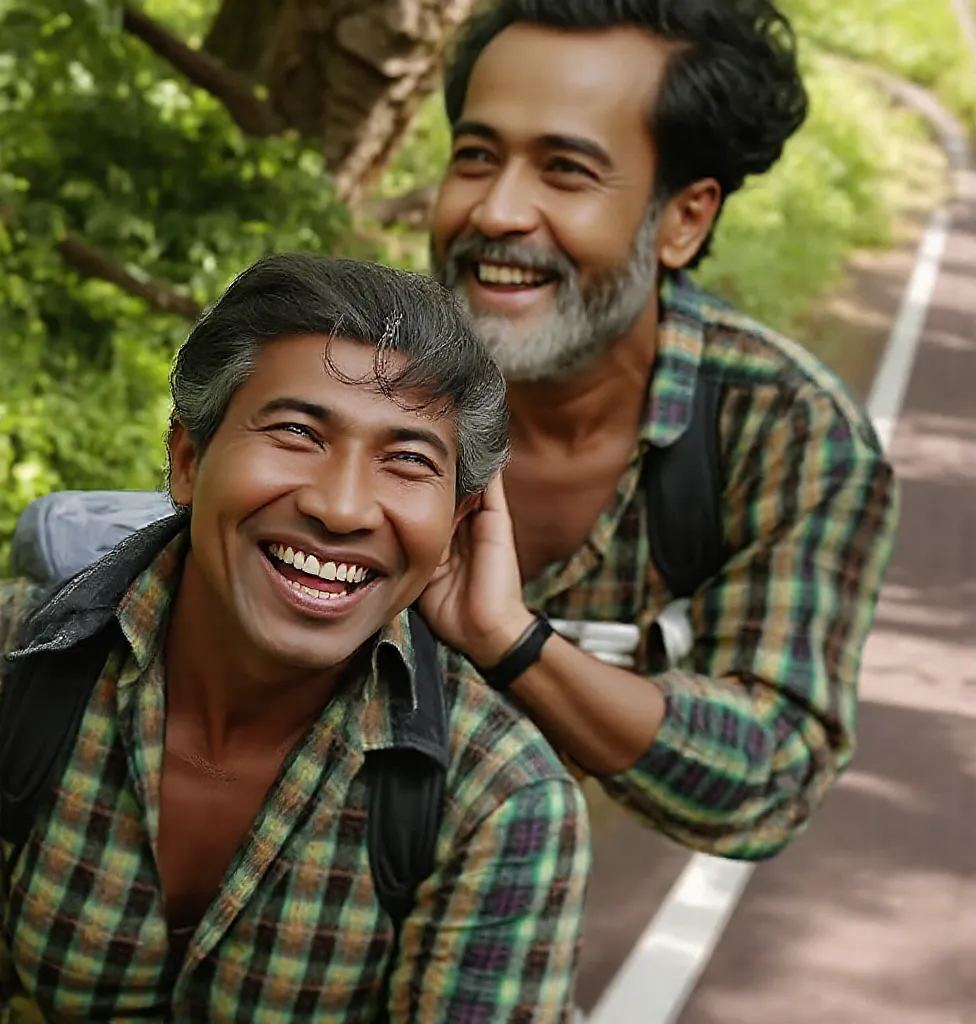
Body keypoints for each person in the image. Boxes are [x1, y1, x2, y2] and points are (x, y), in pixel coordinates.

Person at [0, 255, 590, 1022]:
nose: (342, 508)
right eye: (296, 432)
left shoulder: (499, 800)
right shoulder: (20, 665)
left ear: (453, 526)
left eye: (408, 460)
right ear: (188, 459)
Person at [419, 0, 899, 859]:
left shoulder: (786, 431)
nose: (496, 211)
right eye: (476, 156)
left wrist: (513, 644)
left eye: (564, 171)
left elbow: (768, 774)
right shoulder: (351, 369)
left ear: (685, 219)